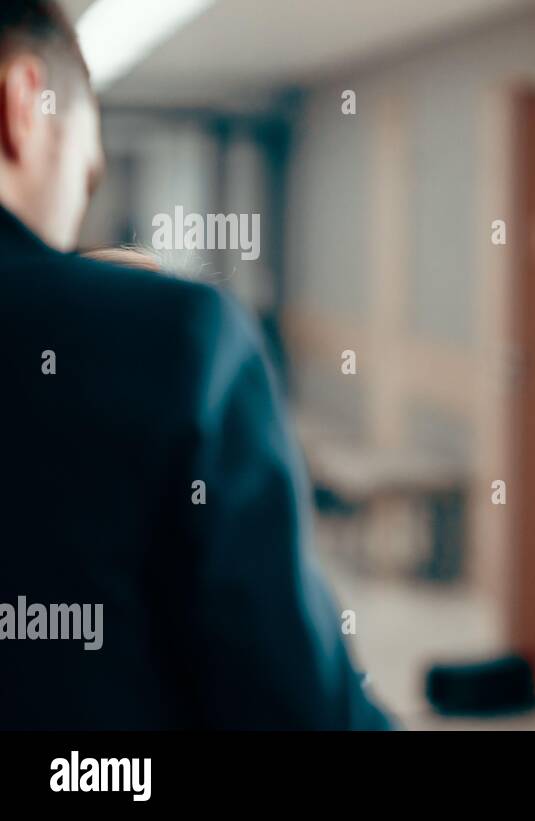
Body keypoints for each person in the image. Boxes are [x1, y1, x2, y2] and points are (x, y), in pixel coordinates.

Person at [0, 0, 390, 730]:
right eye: (83, 173)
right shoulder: (177, 339)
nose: (73, 219)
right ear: (22, 105)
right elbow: (294, 705)